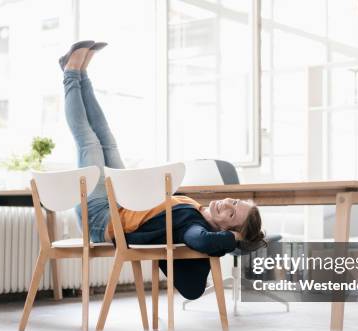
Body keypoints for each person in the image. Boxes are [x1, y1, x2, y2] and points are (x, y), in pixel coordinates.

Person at [60, 41, 266, 300]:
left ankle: (70, 73)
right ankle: (81, 74)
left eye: (232, 212)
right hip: (119, 202)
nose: (226, 203)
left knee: (88, 141)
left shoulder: (192, 226)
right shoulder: (191, 205)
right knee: (106, 138)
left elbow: (198, 265)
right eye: (234, 201)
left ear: (225, 229)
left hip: (101, 217)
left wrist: (234, 239)